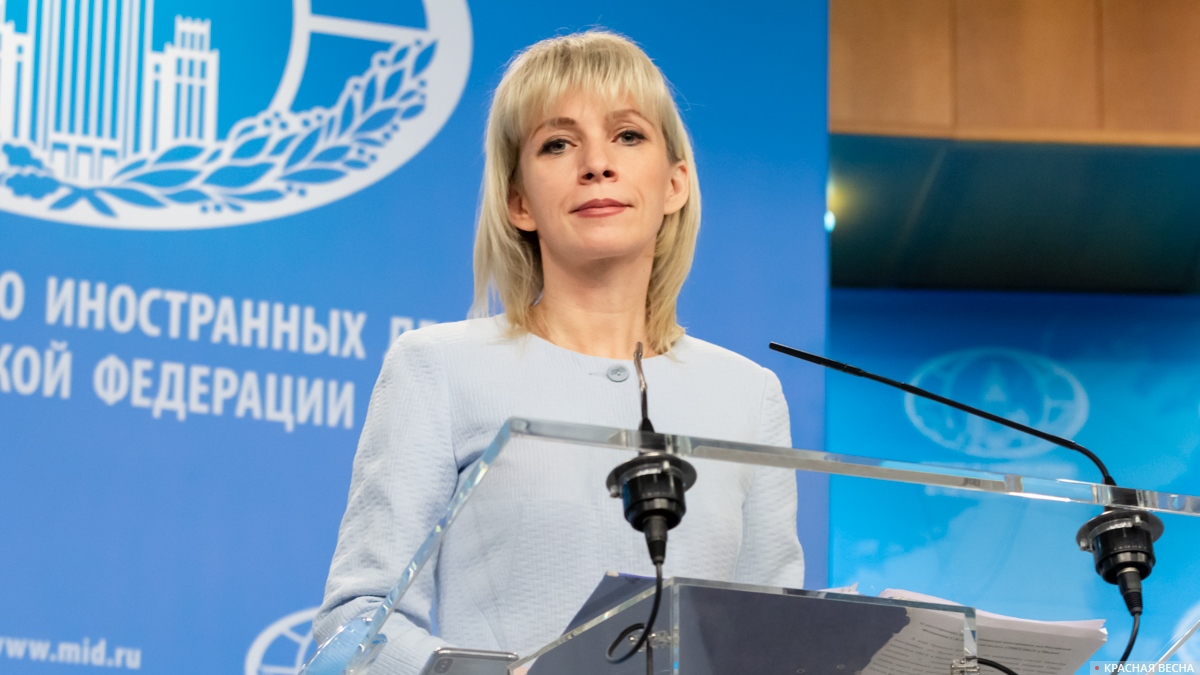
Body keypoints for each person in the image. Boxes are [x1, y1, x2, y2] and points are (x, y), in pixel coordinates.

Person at [314, 30, 805, 674]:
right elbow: (352, 628)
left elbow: (774, 641)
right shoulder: (438, 368)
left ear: (675, 183)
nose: (597, 163)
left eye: (627, 135)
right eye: (558, 143)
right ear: (519, 201)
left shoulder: (749, 395)